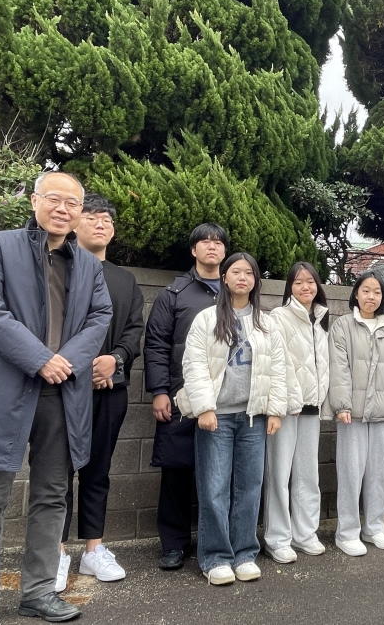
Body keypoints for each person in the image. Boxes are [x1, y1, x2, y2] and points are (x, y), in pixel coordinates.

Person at [0, 172, 112, 625]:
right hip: (2, 388)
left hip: (61, 392)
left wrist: (64, 362)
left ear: (79, 212)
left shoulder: (90, 266)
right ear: (34, 201)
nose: (63, 208)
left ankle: (38, 592)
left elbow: (100, 316)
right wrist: (40, 359)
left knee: (52, 495)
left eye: (72, 203)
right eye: (54, 199)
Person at [55, 194, 145, 591]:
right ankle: (54, 552)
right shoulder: (57, 267)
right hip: (61, 386)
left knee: (98, 471)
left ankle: (94, 549)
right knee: (57, 472)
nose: (100, 223)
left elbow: (135, 330)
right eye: (91, 217)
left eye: (107, 219)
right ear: (76, 224)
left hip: (111, 389)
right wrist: (81, 366)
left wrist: (115, 360)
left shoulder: (125, 280)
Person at [182, 252, 287, 584]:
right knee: (214, 488)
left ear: (256, 281)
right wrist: (204, 407)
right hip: (217, 416)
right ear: (224, 278)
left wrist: (275, 410)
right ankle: (215, 557)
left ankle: (244, 553)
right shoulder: (207, 319)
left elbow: (278, 370)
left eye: (249, 273)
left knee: (249, 487)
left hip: (253, 417)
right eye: (236, 272)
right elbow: (194, 364)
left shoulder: (266, 323)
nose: (243, 277)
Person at [144, 223, 227, 570]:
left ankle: (219, 542)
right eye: (204, 242)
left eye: (218, 242)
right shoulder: (174, 294)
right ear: (193, 250)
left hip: (225, 399)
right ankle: (174, 544)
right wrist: (159, 391)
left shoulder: (235, 291)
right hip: (181, 395)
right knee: (176, 470)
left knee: (221, 473)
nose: (212, 246)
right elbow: (156, 344)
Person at [326, 271, 384, 556]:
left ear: (383, 297)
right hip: (351, 413)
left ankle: (374, 528)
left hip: (383, 413)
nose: (371, 297)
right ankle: (347, 532)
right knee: (350, 473)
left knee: (378, 473)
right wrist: (342, 405)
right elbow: (338, 367)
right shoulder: (343, 326)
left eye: (377, 292)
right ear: (356, 294)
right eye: (366, 290)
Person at [263, 262, 330, 562]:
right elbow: (277, 363)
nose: (306, 287)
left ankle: (305, 534)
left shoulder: (321, 319)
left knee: (308, 475)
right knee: (279, 474)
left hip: (312, 407)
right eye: (299, 282)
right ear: (289, 287)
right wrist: (284, 403)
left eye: (310, 281)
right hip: (286, 408)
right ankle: (277, 538)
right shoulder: (278, 317)